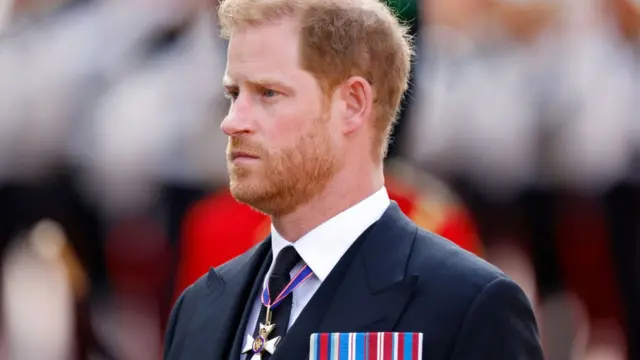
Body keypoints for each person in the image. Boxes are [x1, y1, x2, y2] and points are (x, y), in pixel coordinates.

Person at [163, 0, 543, 359]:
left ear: (353, 104)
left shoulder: (469, 304)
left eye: (268, 93)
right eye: (233, 93)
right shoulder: (198, 309)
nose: (232, 121)